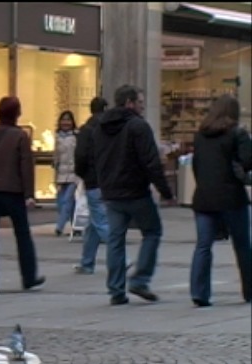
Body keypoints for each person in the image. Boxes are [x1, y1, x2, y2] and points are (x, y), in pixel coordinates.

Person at [93, 84, 174, 306]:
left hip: (111, 192)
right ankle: (140, 279)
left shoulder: (101, 127)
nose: (142, 107)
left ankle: (116, 289)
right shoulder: (138, 126)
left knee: (115, 240)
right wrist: (166, 192)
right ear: (129, 103)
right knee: (152, 231)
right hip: (135, 191)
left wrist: (101, 183)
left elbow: (94, 158)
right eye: (139, 102)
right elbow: (151, 162)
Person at [0, 96, 45, 295]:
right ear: (17, 113)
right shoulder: (20, 136)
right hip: (12, 192)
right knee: (22, 234)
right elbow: (26, 167)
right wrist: (29, 194)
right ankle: (29, 277)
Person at [190, 94, 252, 307]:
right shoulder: (237, 133)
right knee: (242, 245)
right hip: (231, 196)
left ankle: (199, 292)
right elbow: (248, 161)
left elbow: (196, 165)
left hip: (204, 197)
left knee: (203, 245)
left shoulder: (201, 135)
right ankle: (249, 290)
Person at [73, 96, 109, 274]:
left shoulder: (87, 130)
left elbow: (80, 156)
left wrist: (82, 173)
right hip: (109, 179)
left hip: (93, 180)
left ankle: (122, 257)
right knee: (94, 224)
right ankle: (87, 262)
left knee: (100, 222)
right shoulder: (111, 129)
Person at [53, 110, 79, 236]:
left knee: (67, 200)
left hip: (74, 174)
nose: (66, 122)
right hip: (61, 174)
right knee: (61, 202)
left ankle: (60, 226)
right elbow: (56, 157)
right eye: (63, 120)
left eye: (68, 120)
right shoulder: (57, 137)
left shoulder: (76, 136)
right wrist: (55, 177)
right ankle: (76, 227)